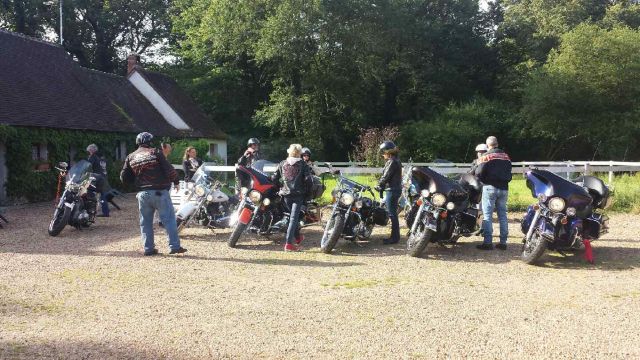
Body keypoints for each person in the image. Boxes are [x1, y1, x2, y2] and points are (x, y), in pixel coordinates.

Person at [120, 132, 187, 256]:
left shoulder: (131, 156)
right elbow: (168, 169)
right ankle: (174, 247)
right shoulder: (155, 152)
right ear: (150, 141)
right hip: (160, 192)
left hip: (142, 194)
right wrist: (176, 180)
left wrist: (135, 182)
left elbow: (123, 177)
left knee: (145, 222)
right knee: (169, 220)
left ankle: (148, 248)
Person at [271, 144, 313, 252]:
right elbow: (309, 180)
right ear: (299, 153)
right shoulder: (303, 164)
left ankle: (298, 238)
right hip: (298, 195)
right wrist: (308, 193)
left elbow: (274, 179)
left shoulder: (282, 163)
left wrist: (280, 188)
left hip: (286, 195)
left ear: (289, 151)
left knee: (292, 218)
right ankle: (288, 244)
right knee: (293, 219)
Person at [474, 136, 512, 250]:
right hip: (504, 188)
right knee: (503, 216)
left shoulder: (486, 156)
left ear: (487, 145)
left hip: (489, 187)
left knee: (487, 216)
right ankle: (503, 242)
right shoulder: (506, 157)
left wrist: (484, 179)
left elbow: (478, 172)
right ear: (497, 144)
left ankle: (487, 242)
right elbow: (509, 172)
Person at [375, 141, 402, 245]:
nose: (383, 155)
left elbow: (386, 176)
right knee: (393, 213)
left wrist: (379, 185)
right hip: (395, 189)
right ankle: (395, 236)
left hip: (392, 190)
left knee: (392, 214)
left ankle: (394, 238)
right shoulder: (396, 160)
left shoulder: (392, 162)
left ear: (388, 152)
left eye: (384, 152)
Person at [86, 144, 109, 217]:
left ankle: (91, 210)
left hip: (97, 178)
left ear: (92, 150)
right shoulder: (98, 157)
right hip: (102, 177)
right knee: (102, 195)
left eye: (89, 150)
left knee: (88, 190)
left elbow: (88, 166)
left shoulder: (93, 157)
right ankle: (105, 212)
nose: (89, 151)